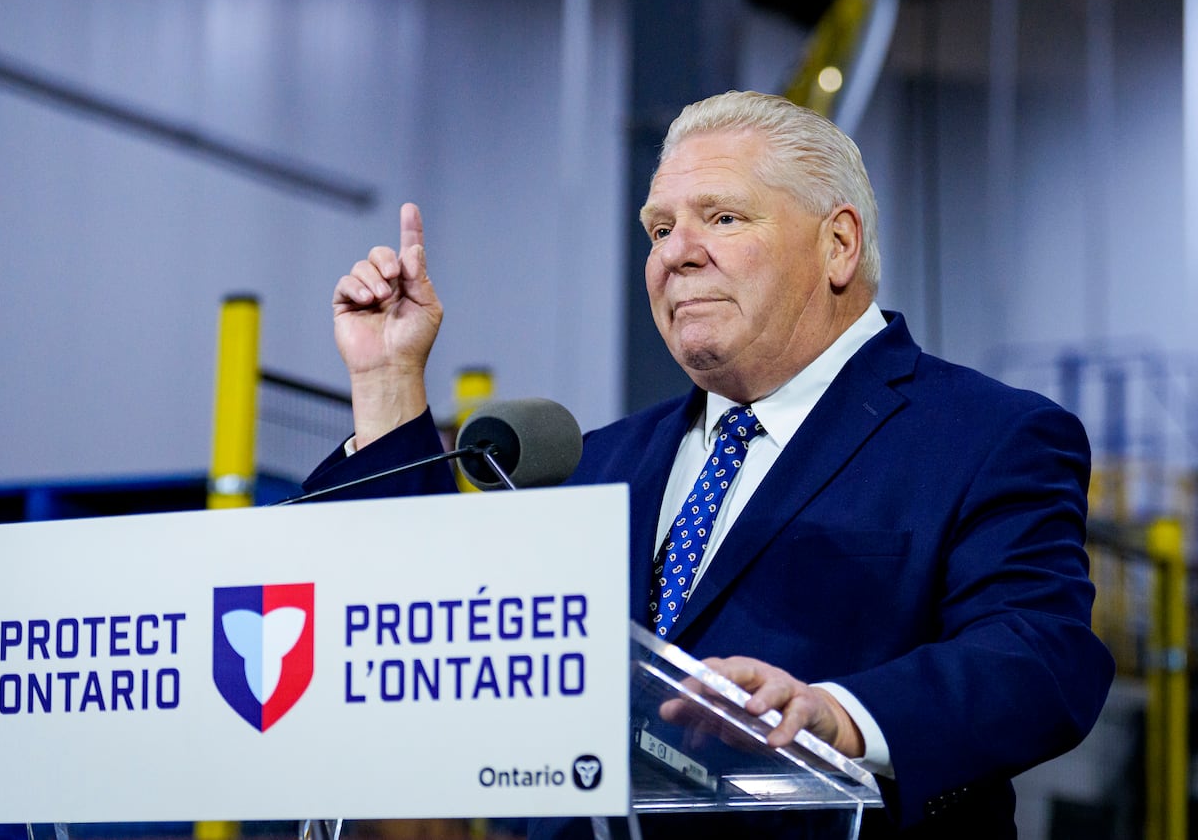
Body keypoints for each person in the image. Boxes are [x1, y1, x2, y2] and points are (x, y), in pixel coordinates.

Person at [304, 91, 1114, 837]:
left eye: (722, 218)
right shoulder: (593, 463)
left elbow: (1040, 655)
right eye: (659, 229)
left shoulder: (986, 436)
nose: (675, 254)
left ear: (838, 243)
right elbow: (410, 633)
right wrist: (385, 379)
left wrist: (837, 716)